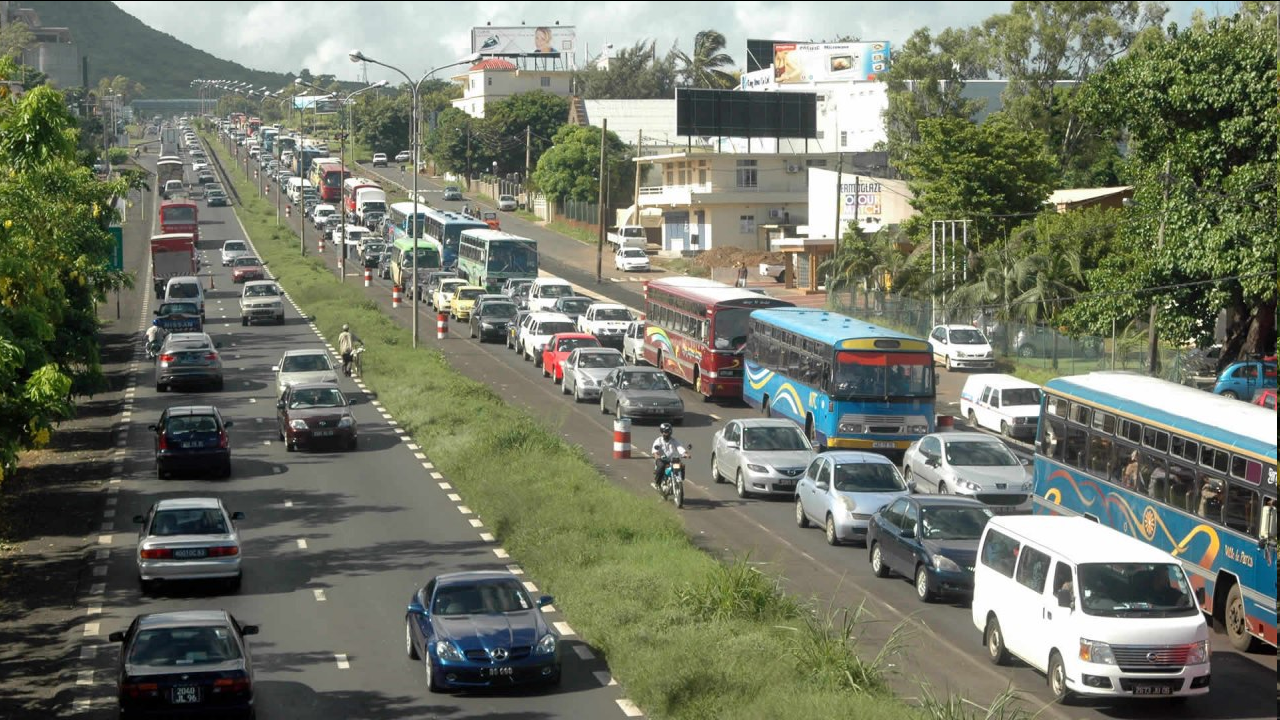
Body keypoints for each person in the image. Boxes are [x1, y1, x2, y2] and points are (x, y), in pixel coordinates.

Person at [651, 422, 688, 490]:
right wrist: (657, 456)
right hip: (661, 460)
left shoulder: (674, 440)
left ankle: (680, 479)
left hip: (672, 460)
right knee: (661, 466)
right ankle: (657, 483)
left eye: (669, 432)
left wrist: (684, 453)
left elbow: (679, 447)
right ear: (662, 432)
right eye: (666, 432)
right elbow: (655, 451)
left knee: (681, 465)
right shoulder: (658, 441)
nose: (667, 434)